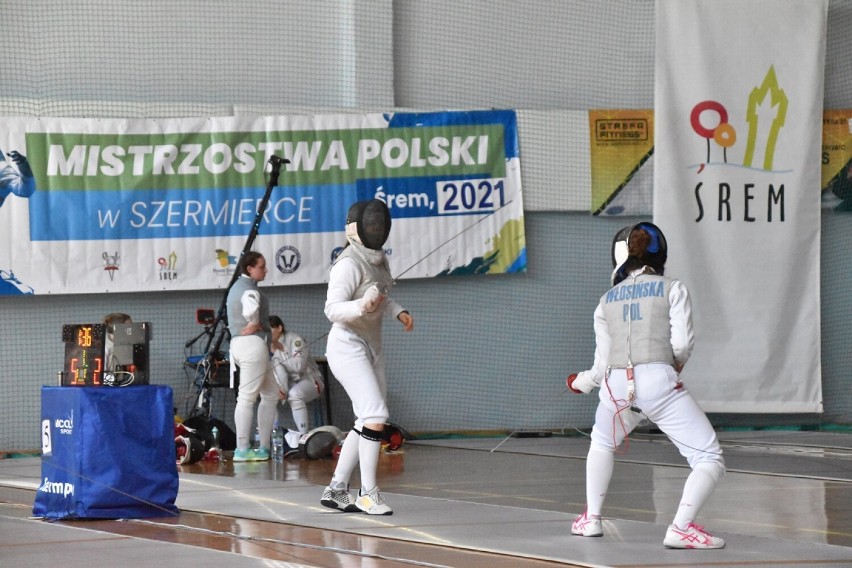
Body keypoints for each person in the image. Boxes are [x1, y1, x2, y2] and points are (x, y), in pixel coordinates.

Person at [566, 222, 726, 549]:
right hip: (659, 383)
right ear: (661, 254)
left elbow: (600, 366)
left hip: (613, 388)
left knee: (601, 442)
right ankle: (681, 527)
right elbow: (682, 344)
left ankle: (591, 520)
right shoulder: (673, 288)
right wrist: (672, 367)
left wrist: (579, 384)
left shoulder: (605, 301)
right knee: (708, 458)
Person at [320, 199, 414, 516]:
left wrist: (397, 310)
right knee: (376, 414)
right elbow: (332, 309)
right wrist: (362, 305)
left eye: (379, 224)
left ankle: (336, 490)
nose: (376, 229)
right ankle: (367, 494)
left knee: (366, 419)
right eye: (370, 224)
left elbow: (381, 295)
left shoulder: (379, 260)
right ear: (356, 230)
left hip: (372, 345)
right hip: (346, 345)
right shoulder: (347, 264)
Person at [226, 251, 278, 462]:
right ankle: (241, 449)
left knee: (271, 394)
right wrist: (254, 321)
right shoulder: (248, 290)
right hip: (251, 345)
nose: (265, 270)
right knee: (246, 398)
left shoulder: (240, 287)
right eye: (262, 266)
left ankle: (264, 447)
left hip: (245, 346)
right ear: (250, 268)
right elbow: (251, 304)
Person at [269, 314, 325, 449]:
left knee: (295, 394)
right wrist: (278, 388)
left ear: (279, 328)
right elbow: (274, 370)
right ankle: (273, 441)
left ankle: (304, 438)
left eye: (270, 329)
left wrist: (279, 351)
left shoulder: (296, 341)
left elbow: (298, 366)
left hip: (311, 380)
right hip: (289, 384)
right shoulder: (267, 346)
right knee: (269, 396)